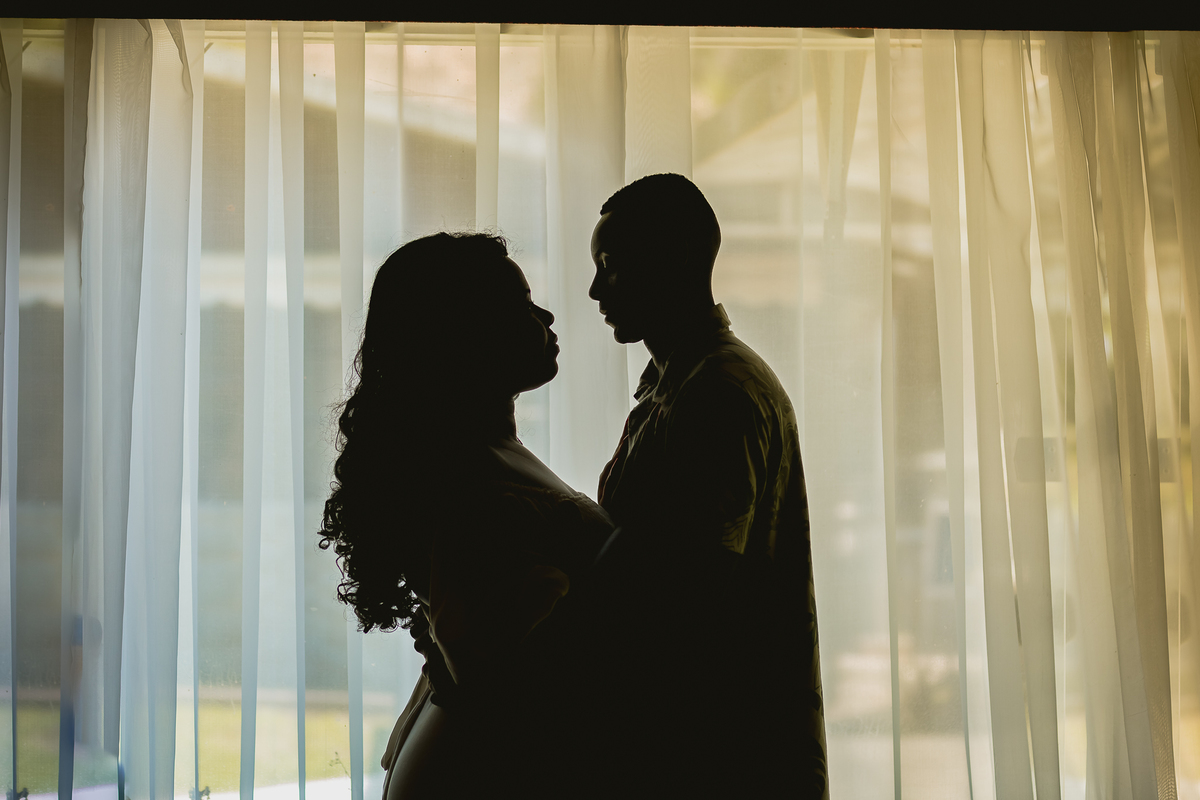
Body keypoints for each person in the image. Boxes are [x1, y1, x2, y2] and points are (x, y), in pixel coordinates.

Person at [318, 232, 613, 799]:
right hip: (479, 767)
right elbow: (495, 684)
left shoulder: (482, 451)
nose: (547, 317)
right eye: (522, 306)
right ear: (465, 334)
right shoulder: (469, 480)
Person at [580, 173, 829, 797]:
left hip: (713, 747)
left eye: (609, 267)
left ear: (669, 263)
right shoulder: (683, 382)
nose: (594, 290)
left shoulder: (718, 393)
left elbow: (695, 597)